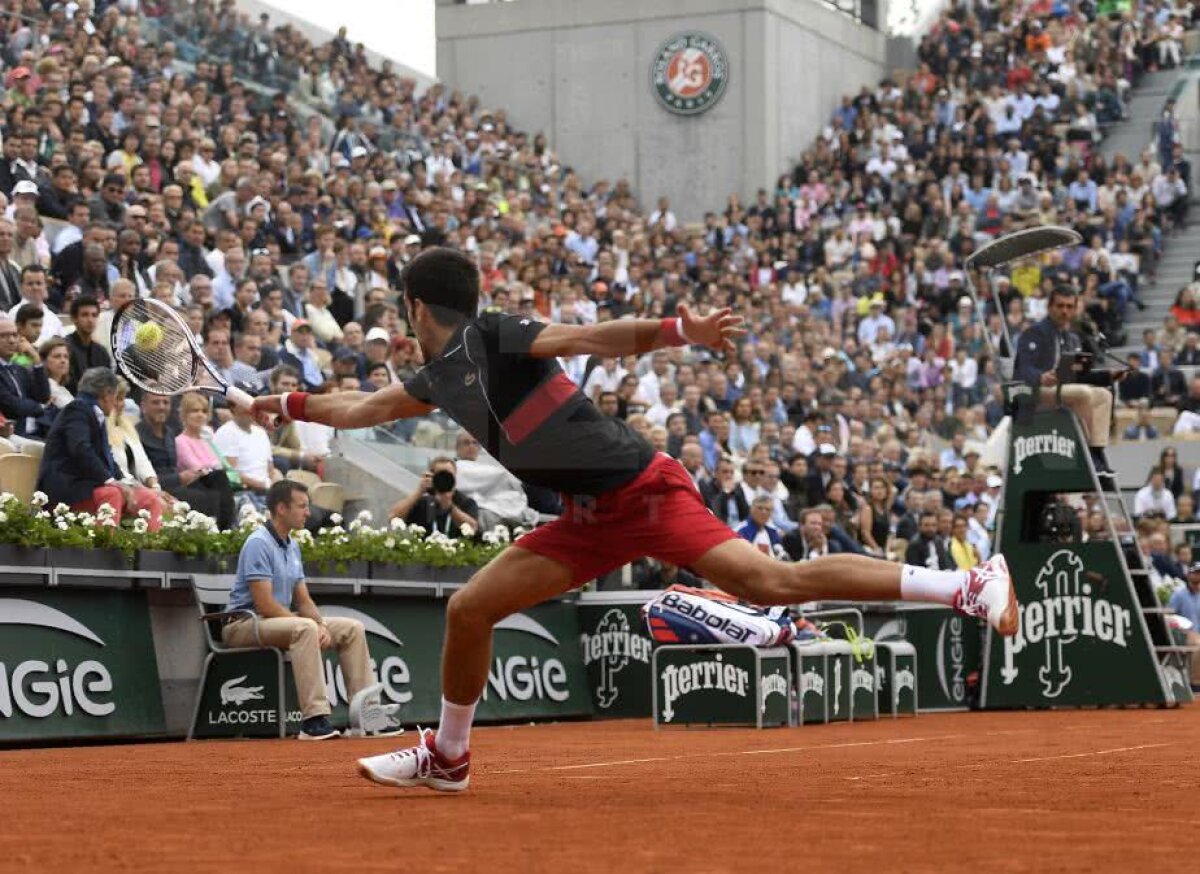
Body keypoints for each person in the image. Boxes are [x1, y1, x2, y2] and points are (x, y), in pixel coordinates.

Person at [251, 247, 1017, 792]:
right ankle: (449, 758)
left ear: (414, 308)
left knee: (770, 580)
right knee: (470, 608)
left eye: (403, 307)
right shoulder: (438, 377)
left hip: (644, 492)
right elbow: (357, 409)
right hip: (586, 520)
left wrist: (682, 331)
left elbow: (589, 338)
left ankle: (965, 584)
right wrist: (277, 403)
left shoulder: (498, 334)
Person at [224, 479, 377, 740]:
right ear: (282, 509)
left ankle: (367, 715)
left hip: (276, 622)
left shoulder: (292, 545)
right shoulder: (258, 543)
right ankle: (314, 720)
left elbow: (304, 601)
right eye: (302, 506)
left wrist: (322, 625)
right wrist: (311, 625)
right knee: (304, 627)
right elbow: (265, 604)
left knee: (352, 628)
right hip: (242, 625)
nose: (308, 512)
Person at [36, 367, 164, 530]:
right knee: (112, 493)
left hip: (90, 486)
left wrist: (126, 482)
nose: (116, 402)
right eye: (116, 396)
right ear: (107, 394)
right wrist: (111, 482)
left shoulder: (97, 414)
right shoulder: (76, 410)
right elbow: (80, 449)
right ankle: (104, 547)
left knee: (150, 499)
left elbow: (107, 457)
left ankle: (149, 551)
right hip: (68, 488)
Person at [1013, 286, 1119, 473]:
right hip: (1036, 392)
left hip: (1063, 390)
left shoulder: (1071, 338)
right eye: (1060, 306)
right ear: (1049, 307)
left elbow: (1078, 374)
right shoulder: (1035, 333)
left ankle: (1097, 451)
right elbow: (1023, 368)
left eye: (1070, 307)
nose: (1065, 311)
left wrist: (1108, 375)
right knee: (1083, 394)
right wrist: (1040, 376)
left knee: (1104, 395)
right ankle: (1084, 452)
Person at [137, 392, 235, 528]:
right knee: (207, 496)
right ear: (143, 406)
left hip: (178, 483)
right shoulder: (138, 433)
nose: (161, 407)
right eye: (155, 402)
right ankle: (220, 532)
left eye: (165, 402)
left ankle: (227, 532)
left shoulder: (169, 433)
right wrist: (178, 478)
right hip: (155, 485)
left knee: (219, 478)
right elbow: (142, 473)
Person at [389, 456, 479, 538]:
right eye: (440, 475)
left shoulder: (465, 502)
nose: (444, 479)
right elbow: (393, 517)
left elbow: (473, 528)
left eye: (448, 475)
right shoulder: (424, 502)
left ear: (455, 477)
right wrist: (419, 490)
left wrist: (450, 507)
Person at [64, 296, 111, 395]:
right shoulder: (65, 349)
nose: (90, 320)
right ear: (74, 319)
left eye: (94, 315)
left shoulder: (101, 352)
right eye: (85, 315)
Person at [1168, 563, 1200, 686]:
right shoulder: (1178, 595)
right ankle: (1195, 684)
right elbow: (1169, 618)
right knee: (1198, 645)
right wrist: (1185, 631)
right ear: (1188, 575)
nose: (1198, 576)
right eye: (1196, 573)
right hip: (1184, 635)